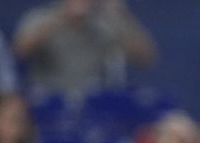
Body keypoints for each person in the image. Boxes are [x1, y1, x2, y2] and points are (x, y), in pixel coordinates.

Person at [13, 0, 157, 99]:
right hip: (49, 99)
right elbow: (20, 51)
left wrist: (121, 15)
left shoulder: (104, 25)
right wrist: (61, 17)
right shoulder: (41, 17)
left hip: (93, 104)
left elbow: (145, 57)